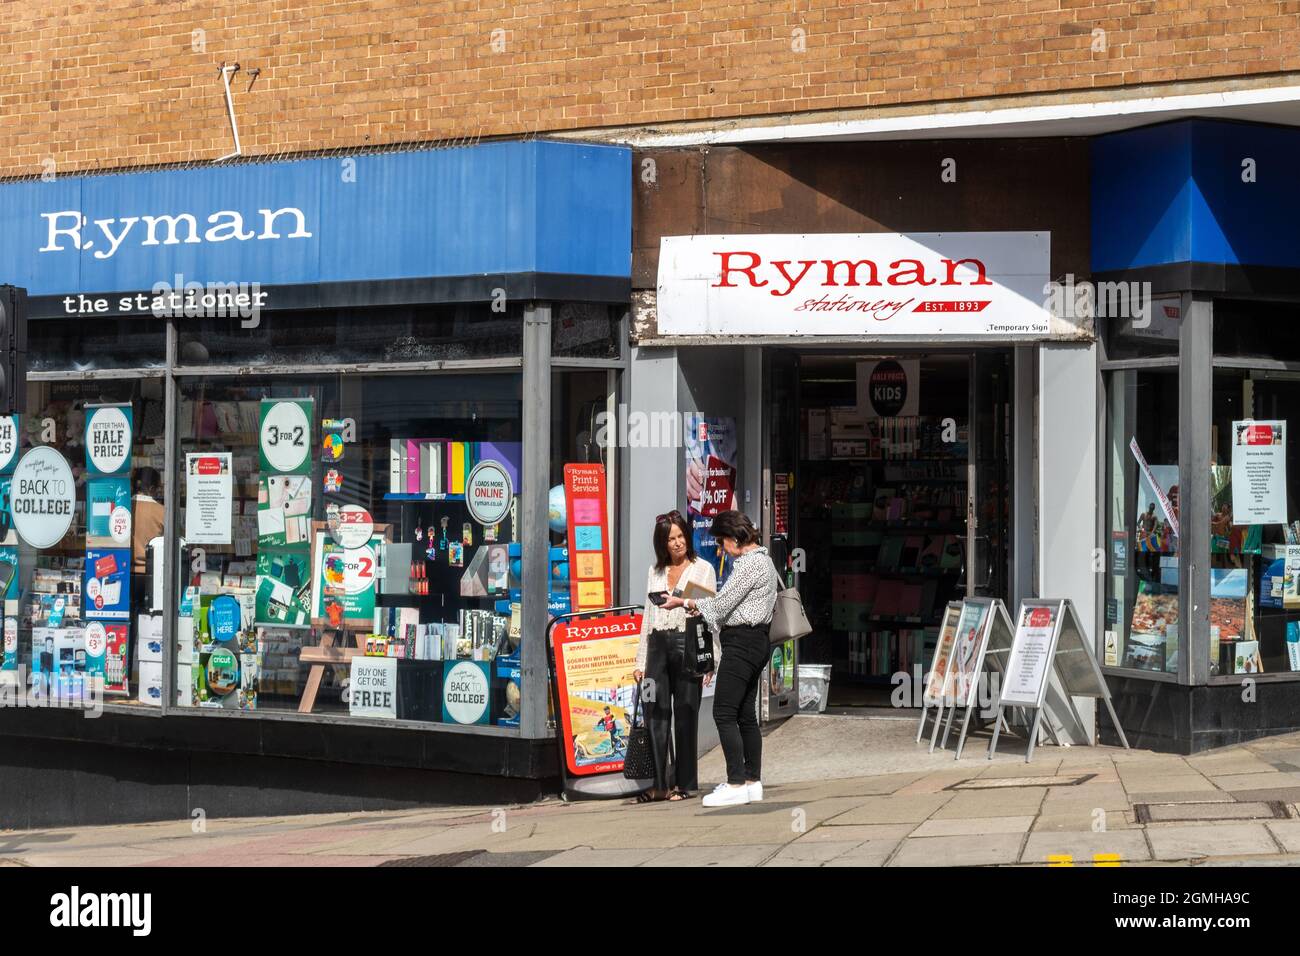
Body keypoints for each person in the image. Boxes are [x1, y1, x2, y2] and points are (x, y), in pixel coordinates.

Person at [663, 509, 777, 808]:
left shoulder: (750, 564)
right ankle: (752, 782)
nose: (720, 547)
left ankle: (736, 782)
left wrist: (685, 601)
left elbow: (723, 604)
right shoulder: (765, 560)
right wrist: (699, 605)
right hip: (756, 642)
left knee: (724, 713)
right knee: (745, 715)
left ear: (735, 537)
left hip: (741, 644)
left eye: (722, 541)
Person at [632, 510, 717, 802]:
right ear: (662, 543)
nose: (678, 543)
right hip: (656, 646)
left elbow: (710, 615)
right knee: (653, 711)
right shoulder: (654, 572)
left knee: (686, 713)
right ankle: (659, 784)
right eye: (671, 539)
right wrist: (639, 661)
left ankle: (686, 783)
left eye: (681, 536)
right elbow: (647, 618)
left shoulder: (703, 568)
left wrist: (710, 658)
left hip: (687, 645)